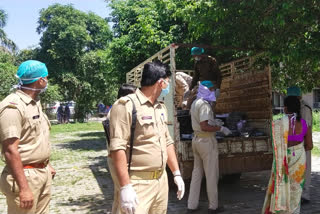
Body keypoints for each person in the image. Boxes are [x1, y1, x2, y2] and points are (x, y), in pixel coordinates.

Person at [109, 61, 185, 214]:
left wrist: (176, 173)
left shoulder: (160, 107)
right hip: (138, 183)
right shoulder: (126, 105)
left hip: (160, 181)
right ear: (160, 82)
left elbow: (167, 141)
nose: (168, 88)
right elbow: (117, 148)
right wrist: (125, 187)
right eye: (168, 83)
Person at [0, 60, 56, 214]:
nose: (47, 80)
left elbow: (35, 138)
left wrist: (45, 164)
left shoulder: (34, 103)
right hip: (24, 176)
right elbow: (10, 150)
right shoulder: (13, 107)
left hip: (41, 173)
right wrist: (24, 188)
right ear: (40, 80)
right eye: (46, 77)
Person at [262, 96, 313, 214]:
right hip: (298, 162)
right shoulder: (304, 124)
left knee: (281, 187)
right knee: (295, 190)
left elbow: (274, 145)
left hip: (282, 162)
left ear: (285, 108)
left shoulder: (277, 124)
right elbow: (309, 146)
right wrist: (298, 149)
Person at [187, 80, 231, 214]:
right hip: (206, 142)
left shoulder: (195, 103)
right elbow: (205, 126)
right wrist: (221, 128)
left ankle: (192, 205)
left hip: (196, 140)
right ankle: (213, 206)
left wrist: (213, 122)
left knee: (197, 174)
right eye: (212, 89)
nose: (214, 92)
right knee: (211, 175)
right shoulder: (205, 105)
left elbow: (202, 123)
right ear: (207, 90)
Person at [105, 83, 137, 214]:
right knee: (125, 196)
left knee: (119, 195)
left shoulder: (116, 109)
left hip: (116, 158)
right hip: (118, 158)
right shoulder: (118, 111)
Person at [287, 86, 313, 204]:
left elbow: (307, 127)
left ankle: (305, 194)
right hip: (295, 146)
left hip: (303, 144)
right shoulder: (291, 109)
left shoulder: (305, 108)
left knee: (305, 169)